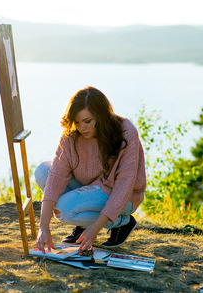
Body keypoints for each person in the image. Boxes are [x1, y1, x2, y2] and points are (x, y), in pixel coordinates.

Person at [34, 86, 146, 254]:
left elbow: (124, 186)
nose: (82, 128)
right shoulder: (71, 134)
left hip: (122, 194)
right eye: (77, 122)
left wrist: (94, 229)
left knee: (63, 211)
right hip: (90, 185)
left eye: (87, 121)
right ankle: (82, 222)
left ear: (101, 117)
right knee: (43, 171)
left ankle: (122, 222)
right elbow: (56, 175)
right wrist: (43, 227)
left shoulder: (126, 131)